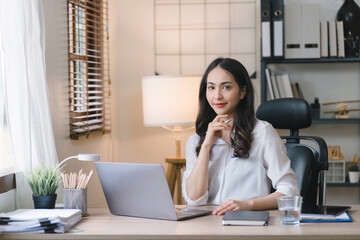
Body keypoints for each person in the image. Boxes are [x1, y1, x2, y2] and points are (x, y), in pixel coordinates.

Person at [182, 57, 299, 215]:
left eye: (226, 87)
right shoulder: (196, 140)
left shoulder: (262, 132)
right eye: (211, 88)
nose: (217, 96)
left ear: (243, 91)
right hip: (207, 224)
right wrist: (206, 146)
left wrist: (248, 205)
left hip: (249, 221)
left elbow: (290, 190)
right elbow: (194, 199)